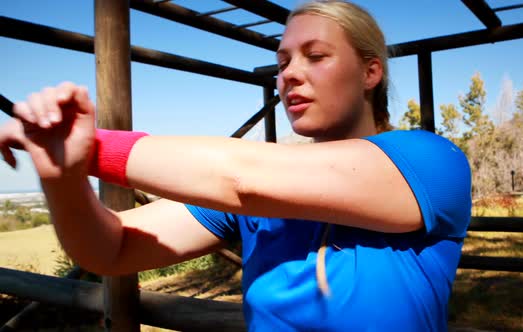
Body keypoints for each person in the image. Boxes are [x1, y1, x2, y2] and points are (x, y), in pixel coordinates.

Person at [0, 1, 471, 331]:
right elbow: (113, 249)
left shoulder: (431, 162)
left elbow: (238, 176)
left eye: (316, 56)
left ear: (371, 72)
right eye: (282, 61)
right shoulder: (265, 194)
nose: (289, 74)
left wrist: (91, 148)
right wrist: (61, 175)